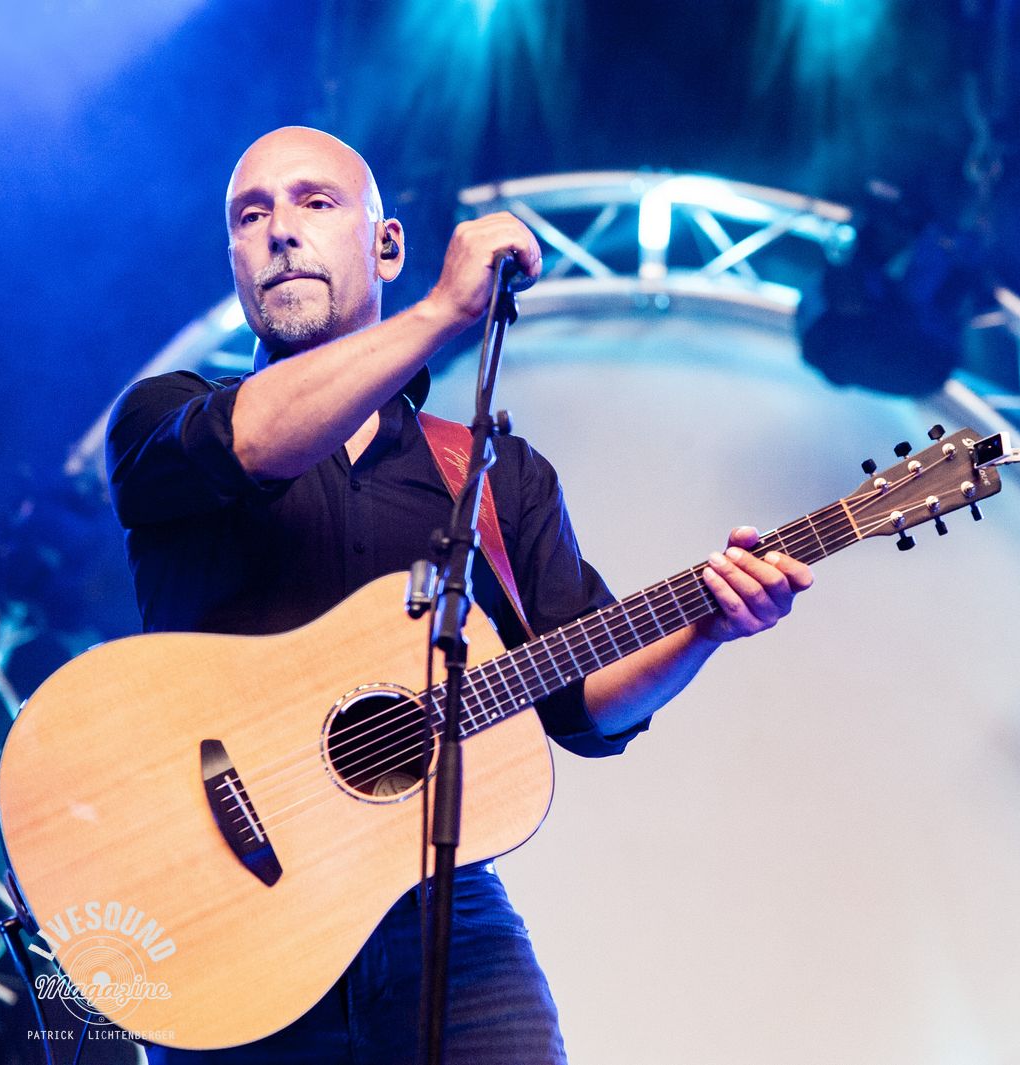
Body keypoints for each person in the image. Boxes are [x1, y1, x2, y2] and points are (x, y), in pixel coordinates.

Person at [104, 126, 813, 1063]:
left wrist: (703, 630)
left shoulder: (493, 472)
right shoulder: (164, 417)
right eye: (251, 214)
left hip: (440, 912)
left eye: (315, 202)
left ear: (386, 245)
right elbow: (257, 443)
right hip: (227, 914)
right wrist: (443, 311)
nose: (280, 229)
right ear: (235, 259)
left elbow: (580, 700)